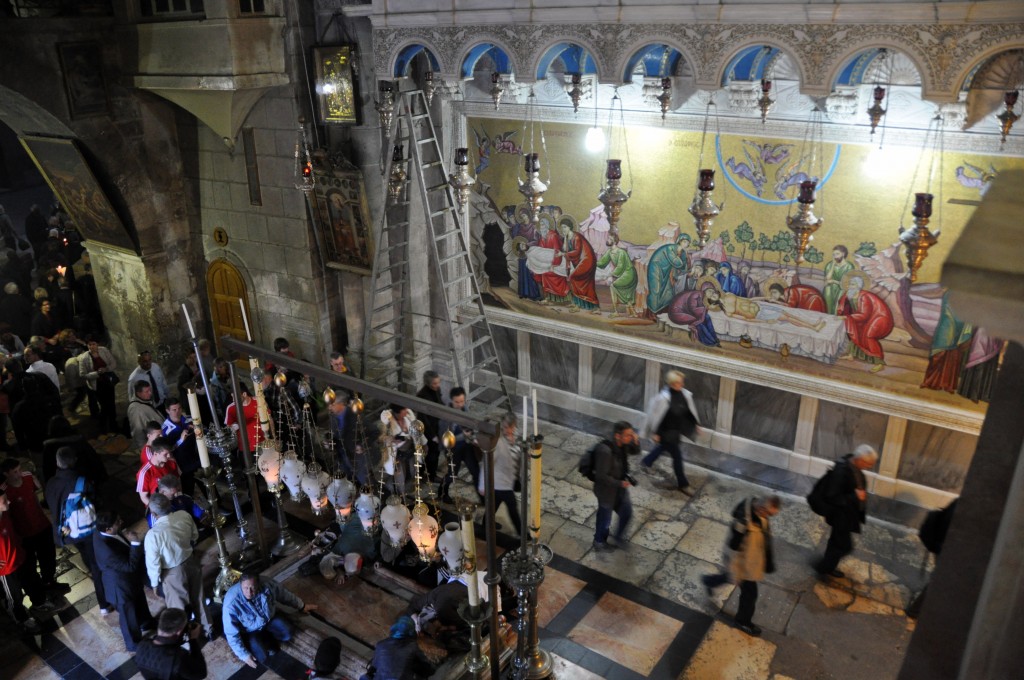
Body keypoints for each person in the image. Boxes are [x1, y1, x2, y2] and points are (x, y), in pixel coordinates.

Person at [702, 496, 781, 636]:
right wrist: (734, 570)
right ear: (761, 509)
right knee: (750, 594)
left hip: (751, 560)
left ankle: (709, 581)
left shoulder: (759, 513)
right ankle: (742, 621)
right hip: (743, 564)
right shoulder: (743, 522)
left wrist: (768, 562)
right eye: (769, 514)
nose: (769, 517)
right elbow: (733, 548)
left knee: (730, 578)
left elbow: (766, 537)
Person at [44, 448, 110, 614]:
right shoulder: (81, 481)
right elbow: (97, 502)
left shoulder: (51, 483)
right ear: (73, 462)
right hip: (86, 530)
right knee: (96, 565)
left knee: (87, 557)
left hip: (68, 532)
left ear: (58, 463)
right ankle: (104, 603)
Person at [144, 493, 213, 637]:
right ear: (169, 505)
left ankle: (185, 637)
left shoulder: (153, 535)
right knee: (199, 598)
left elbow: (153, 563)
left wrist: (155, 583)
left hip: (172, 573)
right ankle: (208, 629)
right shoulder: (183, 515)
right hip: (191, 561)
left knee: (178, 608)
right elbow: (195, 536)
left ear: (154, 513)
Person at [222, 570, 317, 667]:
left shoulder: (267, 583)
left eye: (252, 588)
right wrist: (244, 655)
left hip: (269, 619)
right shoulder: (231, 603)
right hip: (249, 631)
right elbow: (231, 633)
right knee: (262, 658)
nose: (249, 592)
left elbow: (284, 595)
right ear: (240, 585)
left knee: (287, 633)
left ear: (258, 584)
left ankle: (267, 636)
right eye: (245, 588)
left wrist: (301, 606)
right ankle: (254, 641)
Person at [0, 458, 65, 594]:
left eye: (20, 469)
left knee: (48, 555)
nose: (19, 473)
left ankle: (49, 580)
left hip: (41, 525)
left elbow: (36, 492)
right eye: (15, 471)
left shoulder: (28, 477)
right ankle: (38, 589)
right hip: (24, 534)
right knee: (30, 564)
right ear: (6, 474)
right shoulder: (4, 491)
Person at [93, 511, 156, 650]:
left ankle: (146, 623)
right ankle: (134, 644)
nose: (121, 522)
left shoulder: (101, 532)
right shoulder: (107, 550)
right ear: (108, 529)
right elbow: (130, 565)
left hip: (129, 580)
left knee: (139, 601)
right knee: (129, 616)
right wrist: (135, 543)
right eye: (117, 522)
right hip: (120, 586)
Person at [813, 444, 878, 578]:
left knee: (836, 543)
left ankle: (827, 567)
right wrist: (855, 496)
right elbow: (832, 496)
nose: (869, 467)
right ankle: (824, 567)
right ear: (859, 459)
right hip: (840, 516)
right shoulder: (841, 471)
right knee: (844, 546)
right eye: (868, 464)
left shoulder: (852, 465)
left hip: (847, 515)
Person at [0, 487, 59, 633]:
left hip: (19, 557)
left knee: (32, 579)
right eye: (4, 501)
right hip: (6, 568)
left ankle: (39, 602)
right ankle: (21, 618)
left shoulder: (6, 515)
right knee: (14, 595)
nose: (8, 501)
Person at [639, 370, 702, 495]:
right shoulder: (662, 398)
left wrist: (696, 424)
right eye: (679, 382)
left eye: (682, 382)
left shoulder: (685, 395)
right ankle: (683, 484)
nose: (682, 384)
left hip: (676, 430)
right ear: (672, 383)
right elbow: (654, 416)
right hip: (665, 431)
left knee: (662, 448)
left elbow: (689, 411)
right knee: (677, 457)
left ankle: (647, 461)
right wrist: (655, 433)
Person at [592, 421, 639, 552]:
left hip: (619, 489)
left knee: (627, 513)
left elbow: (635, 451)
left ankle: (618, 538)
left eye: (632, 434)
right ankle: (599, 542)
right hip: (606, 492)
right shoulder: (605, 451)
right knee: (605, 520)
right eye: (628, 435)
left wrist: (636, 441)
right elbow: (601, 476)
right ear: (618, 436)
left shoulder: (622, 444)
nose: (631, 437)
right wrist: (619, 483)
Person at [837, 273, 894, 373]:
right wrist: (843, 315)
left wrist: (847, 317)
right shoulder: (848, 294)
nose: (850, 286)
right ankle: (851, 355)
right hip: (864, 319)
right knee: (854, 330)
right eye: (850, 284)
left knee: (869, 336)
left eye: (853, 284)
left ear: (858, 286)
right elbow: (843, 307)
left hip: (879, 317)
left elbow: (864, 315)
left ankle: (879, 362)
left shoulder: (864, 297)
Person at [478, 412, 521, 535]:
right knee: (512, 508)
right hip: (499, 483)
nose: (509, 430)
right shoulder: (498, 443)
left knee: (493, 507)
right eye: (506, 427)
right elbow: (486, 463)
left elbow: (517, 453)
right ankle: (522, 534)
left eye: (511, 427)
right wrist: (482, 485)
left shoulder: (516, 436)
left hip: (510, 480)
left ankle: (485, 525)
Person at [134, 607, 208, 680]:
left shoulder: (141, 646)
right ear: (179, 632)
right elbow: (201, 673)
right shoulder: (179, 658)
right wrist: (193, 640)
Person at [437, 387, 480, 504]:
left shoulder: (465, 409)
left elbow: (471, 425)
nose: (460, 404)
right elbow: (445, 439)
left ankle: (483, 498)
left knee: (476, 471)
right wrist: (463, 436)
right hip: (453, 449)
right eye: (457, 402)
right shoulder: (445, 416)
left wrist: (472, 435)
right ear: (451, 400)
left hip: (466, 447)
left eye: (462, 401)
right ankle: (442, 492)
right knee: (452, 474)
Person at [362, 615, 435, 680]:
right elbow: (429, 668)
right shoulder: (412, 646)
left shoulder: (380, 645)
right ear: (411, 632)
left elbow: (373, 668)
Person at [79, 335, 119, 433]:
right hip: (97, 384)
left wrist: (106, 369)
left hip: (108, 382)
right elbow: (83, 374)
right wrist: (97, 373)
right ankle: (103, 425)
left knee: (111, 404)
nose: (92, 347)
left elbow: (113, 363)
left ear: (97, 344)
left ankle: (113, 424)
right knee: (104, 405)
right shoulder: (84, 358)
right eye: (90, 344)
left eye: (94, 344)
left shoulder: (104, 351)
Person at [163, 398, 200, 497]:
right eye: (174, 410)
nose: (178, 412)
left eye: (179, 408)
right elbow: (168, 450)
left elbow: (201, 431)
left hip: (196, 457)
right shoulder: (166, 429)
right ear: (167, 411)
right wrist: (180, 440)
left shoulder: (188, 419)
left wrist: (197, 429)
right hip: (183, 463)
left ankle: (218, 504)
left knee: (206, 481)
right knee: (188, 489)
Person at [645, 238, 689, 319]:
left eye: (687, 242)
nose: (686, 244)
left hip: (666, 270)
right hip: (656, 267)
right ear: (679, 241)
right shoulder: (670, 248)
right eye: (684, 241)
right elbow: (676, 262)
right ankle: (651, 313)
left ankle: (663, 311)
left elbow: (683, 268)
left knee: (667, 290)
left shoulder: (682, 252)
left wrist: (684, 257)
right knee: (656, 290)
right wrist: (684, 257)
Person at [561, 222, 599, 312]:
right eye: (562, 227)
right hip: (581, 261)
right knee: (585, 284)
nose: (563, 229)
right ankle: (583, 304)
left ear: (570, 227)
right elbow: (565, 249)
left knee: (573, 278)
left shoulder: (576, 237)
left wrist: (563, 254)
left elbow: (576, 252)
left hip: (587, 260)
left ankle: (579, 305)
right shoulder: (568, 237)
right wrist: (565, 239)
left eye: (565, 227)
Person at [596, 237, 638, 317]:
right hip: (623, 274)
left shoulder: (621, 252)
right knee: (614, 287)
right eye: (607, 238)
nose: (607, 240)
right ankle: (629, 310)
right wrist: (592, 262)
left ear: (614, 241)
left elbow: (620, 267)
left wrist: (610, 275)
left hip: (629, 273)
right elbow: (602, 263)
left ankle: (617, 311)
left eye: (609, 239)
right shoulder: (609, 251)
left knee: (613, 285)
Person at [415, 370, 443, 482]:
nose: (437, 385)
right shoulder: (422, 396)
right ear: (428, 383)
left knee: (435, 453)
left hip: (437, 425)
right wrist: (432, 435)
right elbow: (423, 418)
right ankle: (424, 475)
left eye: (438, 382)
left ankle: (431, 474)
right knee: (430, 454)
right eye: (435, 383)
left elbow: (440, 404)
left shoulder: (437, 389)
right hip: (428, 429)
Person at [137, 437, 181, 507]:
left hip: (173, 501)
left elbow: (177, 482)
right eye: (165, 454)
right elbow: (144, 497)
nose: (169, 456)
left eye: (169, 452)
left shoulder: (171, 463)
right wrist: (157, 510)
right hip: (158, 506)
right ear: (155, 453)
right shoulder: (144, 472)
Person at [128, 380, 164, 447]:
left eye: (150, 390)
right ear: (138, 393)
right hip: (154, 446)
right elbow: (138, 431)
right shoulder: (136, 409)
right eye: (147, 391)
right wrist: (145, 449)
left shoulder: (145, 402)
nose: (150, 393)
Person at [822, 245, 854, 314]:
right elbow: (827, 278)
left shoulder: (849, 266)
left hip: (842, 288)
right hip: (830, 288)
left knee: (838, 303)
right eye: (833, 254)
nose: (835, 256)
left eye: (837, 254)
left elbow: (845, 283)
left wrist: (833, 281)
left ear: (843, 254)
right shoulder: (830, 264)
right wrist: (833, 265)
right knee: (827, 291)